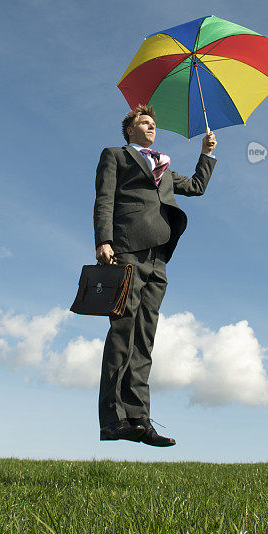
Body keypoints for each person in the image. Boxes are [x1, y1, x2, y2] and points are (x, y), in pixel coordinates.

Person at [94, 104, 217, 446]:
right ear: (130, 131)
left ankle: (139, 419)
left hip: (159, 258)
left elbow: (195, 186)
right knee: (123, 334)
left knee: (145, 339)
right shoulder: (116, 155)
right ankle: (113, 419)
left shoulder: (163, 167)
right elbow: (104, 197)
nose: (151, 127)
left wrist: (206, 154)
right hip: (127, 251)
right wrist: (104, 239)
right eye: (144, 123)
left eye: (153, 123)